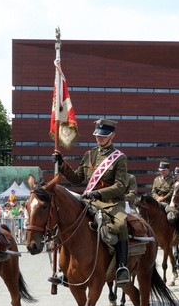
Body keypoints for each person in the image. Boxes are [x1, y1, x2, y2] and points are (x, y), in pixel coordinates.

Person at [52, 119, 131, 287]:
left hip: (111, 203)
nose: (99, 139)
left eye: (103, 136)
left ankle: (122, 267)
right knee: (64, 223)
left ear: (112, 136)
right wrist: (62, 163)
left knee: (121, 225)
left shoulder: (119, 158)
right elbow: (76, 179)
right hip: (89, 201)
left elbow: (120, 186)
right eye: (97, 136)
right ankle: (65, 269)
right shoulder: (89, 154)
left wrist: (98, 193)